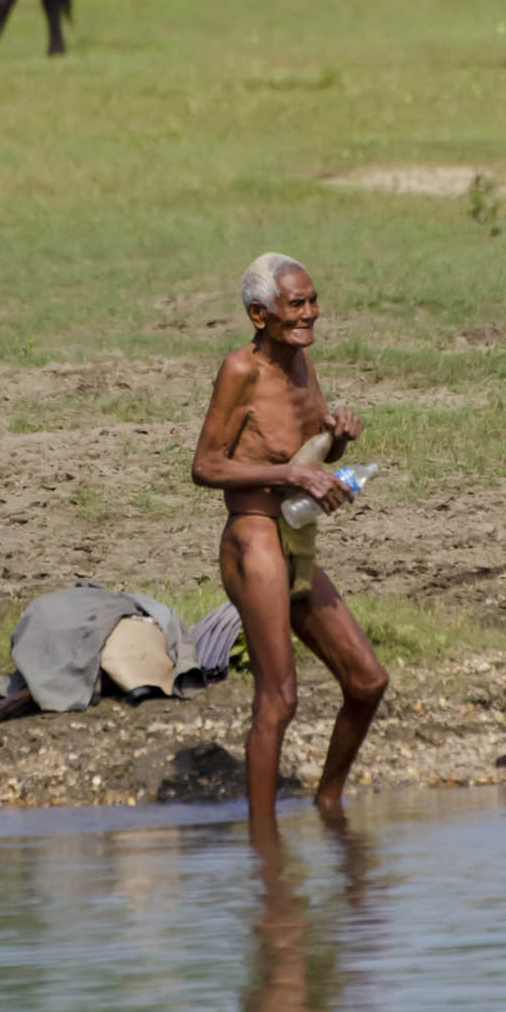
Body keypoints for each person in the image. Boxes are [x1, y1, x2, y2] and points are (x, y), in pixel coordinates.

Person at [192, 252, 389, 816]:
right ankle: (264, 848)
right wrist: (292, 474)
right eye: (296, 304)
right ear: (260, 314)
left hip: (297, 538)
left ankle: (329, 806)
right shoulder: (240, 371)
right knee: (279, 698)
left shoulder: (302, 362)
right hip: (253, 539)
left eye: (313, 300)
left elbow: (311, 451)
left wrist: (340, 441)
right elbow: (206, 467)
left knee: (367, 681)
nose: (311, 314)